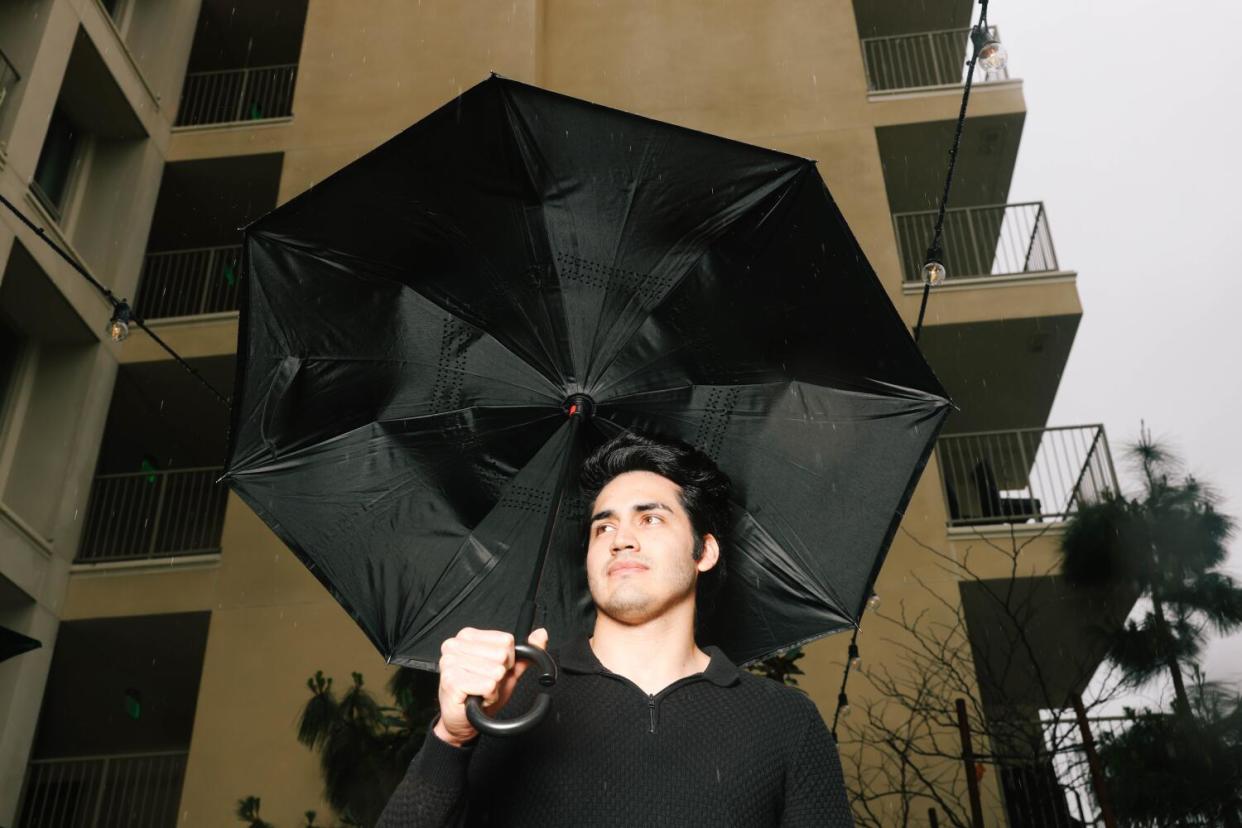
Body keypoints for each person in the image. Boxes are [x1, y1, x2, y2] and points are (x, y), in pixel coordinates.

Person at [376, 431, 854, 826]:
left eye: (650, 518)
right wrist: (452, 739)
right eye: (603, 527)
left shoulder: (784, 720)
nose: (621, 539)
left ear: (704, 552)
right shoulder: (510, 698)